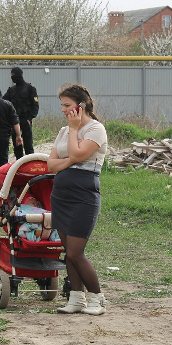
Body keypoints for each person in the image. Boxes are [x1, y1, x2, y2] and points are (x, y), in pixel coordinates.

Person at [47, 83, 108, 316]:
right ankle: (76, 298)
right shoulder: (63, 131)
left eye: (67, 105)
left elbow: (76, 154)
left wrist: (74, 130)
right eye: (62, 105)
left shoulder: (95, 129)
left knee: (75, 252)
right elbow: (50, 164)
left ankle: (97, 298)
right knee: (67, 250)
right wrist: (69, 160)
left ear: (81, 106)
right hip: (61, 194)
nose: (63, 110)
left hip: (84, 194)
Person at [1, 66, 39, 159]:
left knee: (28, 145)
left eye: (13, 75)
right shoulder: (11, 90)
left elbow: (35, 104)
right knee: (17, 145)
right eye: (11, 75)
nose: (12, 77)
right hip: (15, 121)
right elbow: (2, 101)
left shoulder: (30, 88)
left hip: (26, 119)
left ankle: (30, 166)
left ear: (19, 75)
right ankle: (19, 166)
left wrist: (30, 118)